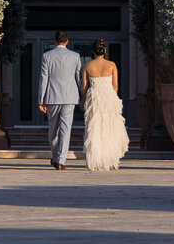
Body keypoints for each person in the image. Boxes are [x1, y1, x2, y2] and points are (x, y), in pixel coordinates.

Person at [81, 39, 129, 172]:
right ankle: (108, 157)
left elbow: (84, 87)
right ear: (105, 50)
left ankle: (96, 160)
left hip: (94, 98)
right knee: (109, 127)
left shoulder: (87, 66)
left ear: (93, 51)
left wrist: (82, 100)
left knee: (95, 127)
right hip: (108, 97)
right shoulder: (111, 65)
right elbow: (115, 86)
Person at [38, 29, 81, 171]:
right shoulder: (75, 56)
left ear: (55, 41)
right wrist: (82, 95)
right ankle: (61, 160)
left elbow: (44, 78)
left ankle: (57, 157)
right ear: (67, 41)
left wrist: (41, 99)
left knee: (53, 129)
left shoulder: (47, 56)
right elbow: (78, 78)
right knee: (65, 129)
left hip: (52, 96)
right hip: (70, 96)